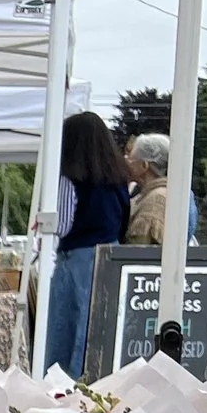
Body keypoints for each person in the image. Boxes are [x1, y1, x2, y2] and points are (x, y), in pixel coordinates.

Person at [43, 111, 131, 378]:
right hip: (111, 257)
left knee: (68, 329)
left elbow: (61, 225)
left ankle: (65, 383)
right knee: (99, 329)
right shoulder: (119, 178)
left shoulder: (70, 177)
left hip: (78, 259)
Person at [124, 132, 172, 246]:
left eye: (130, 161)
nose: (127, 165)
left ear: (144, 166)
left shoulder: (155, 201)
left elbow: (139, 250)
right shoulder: (163, 193)